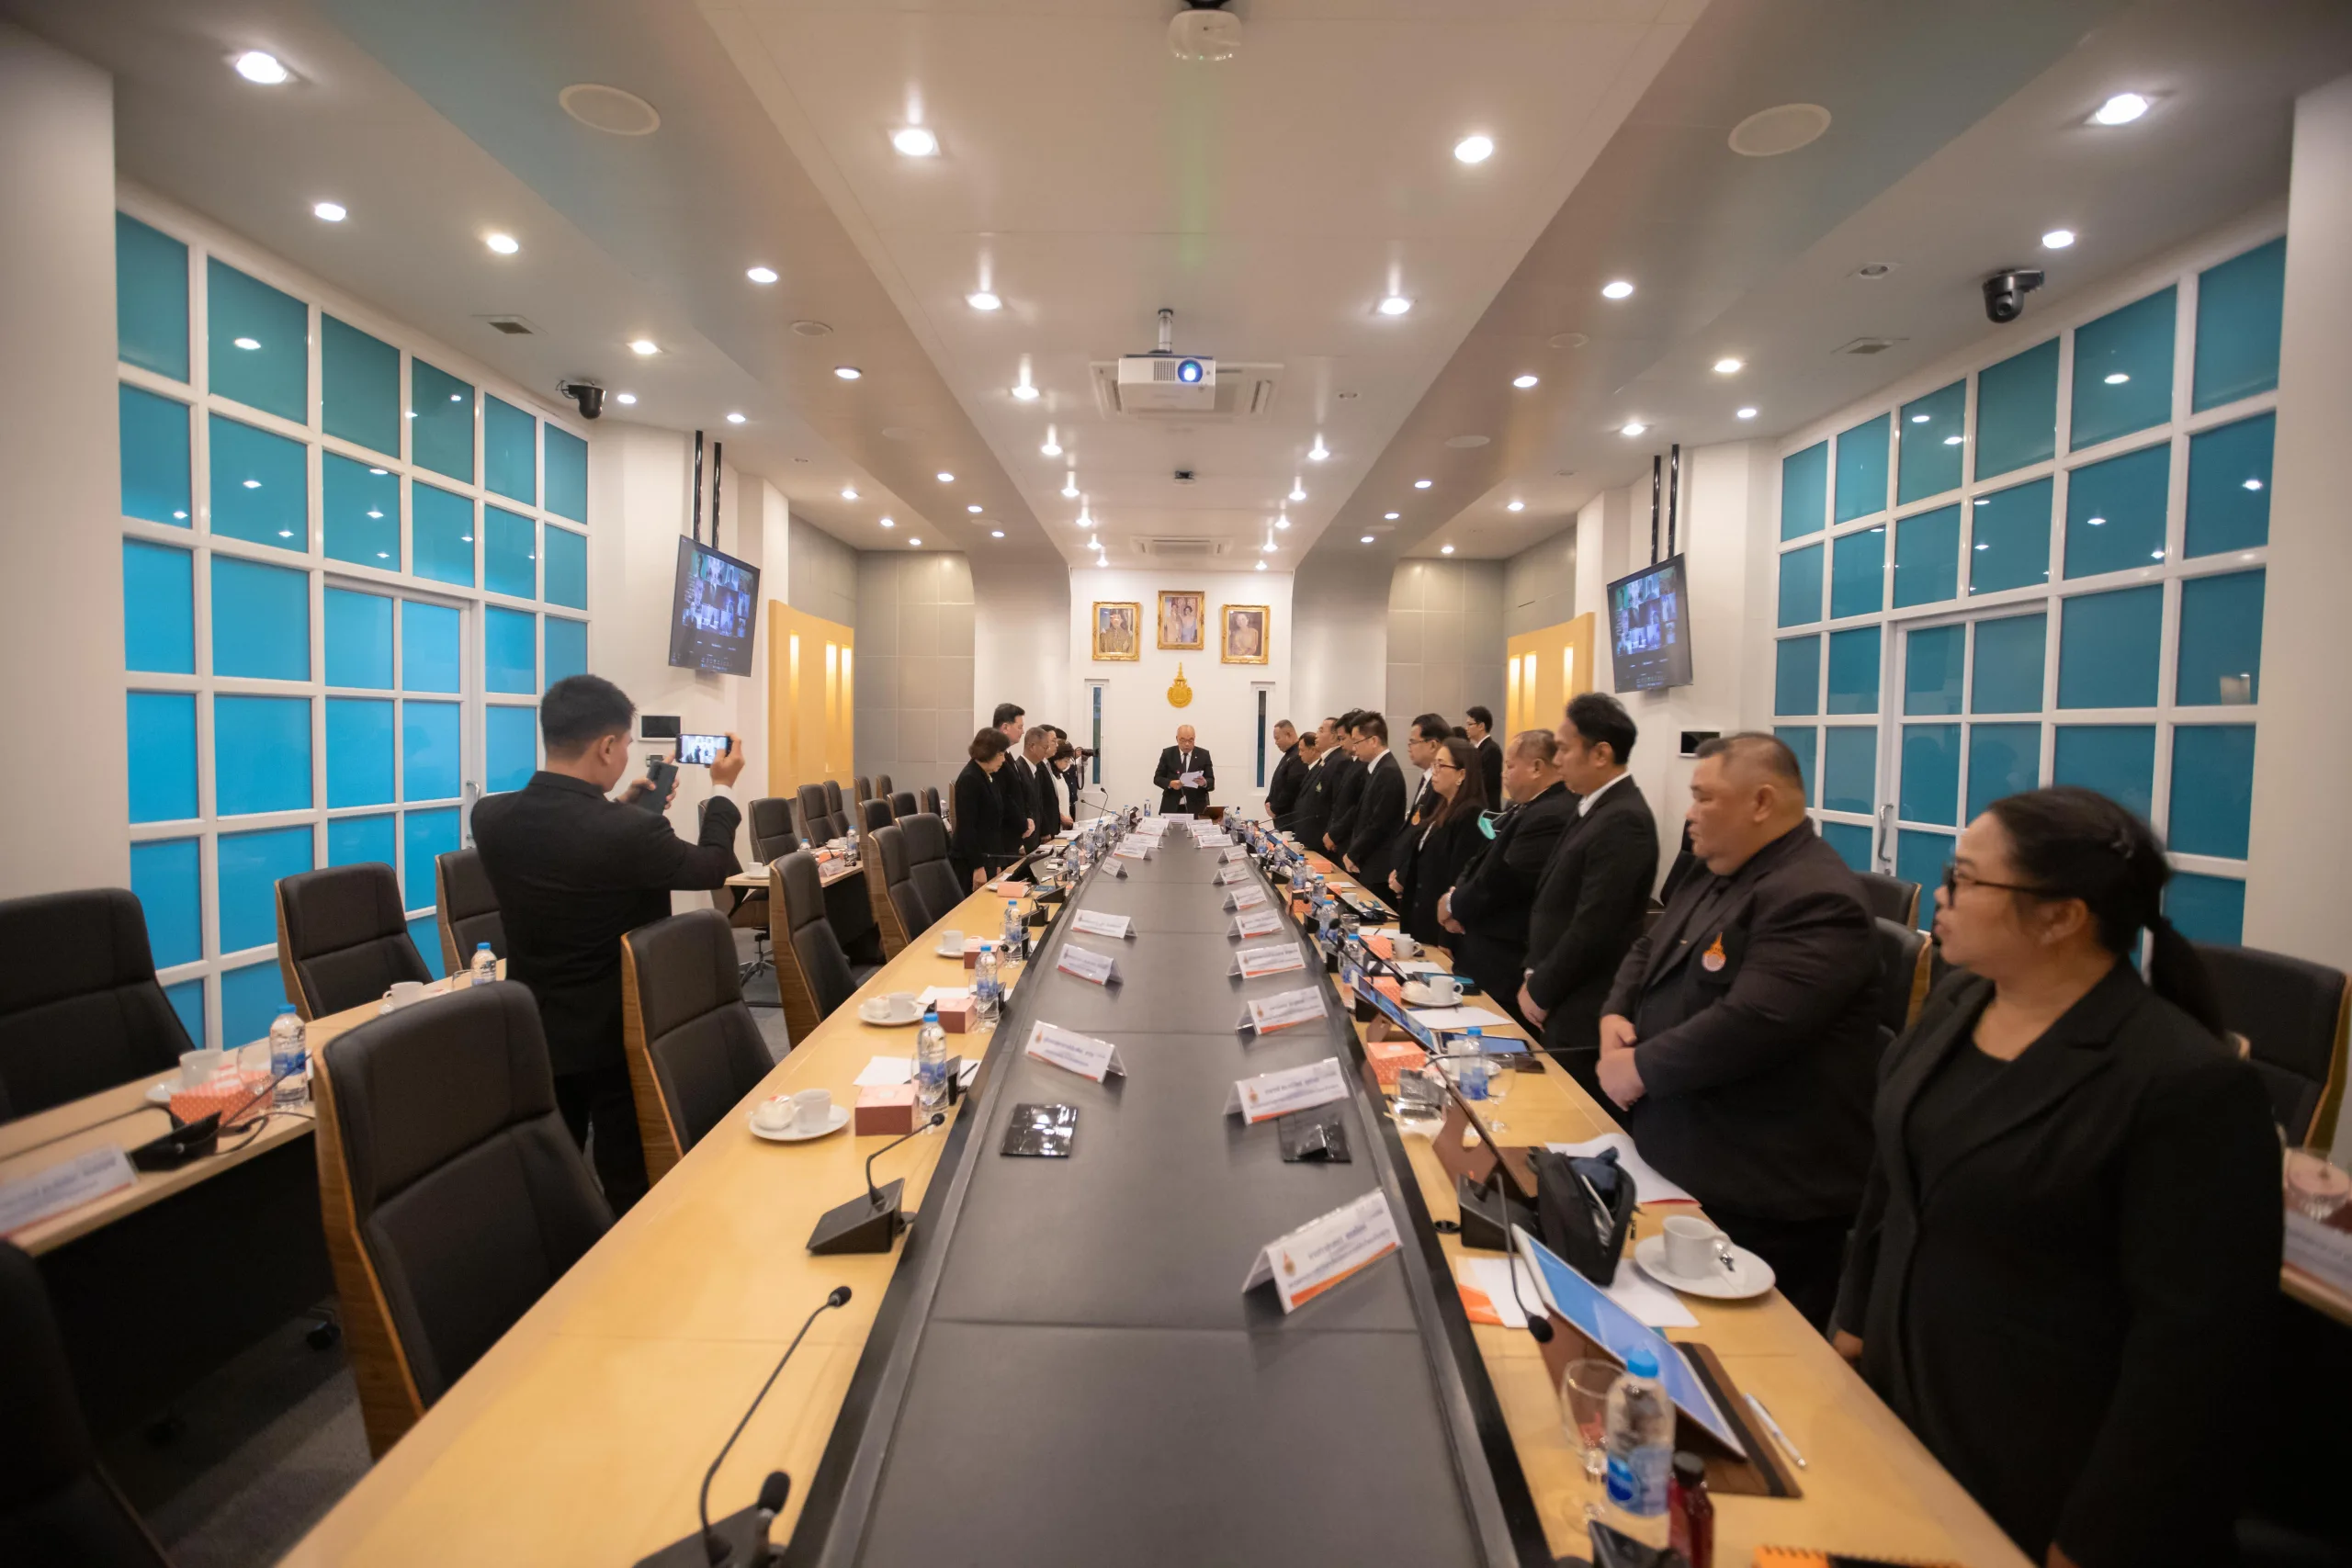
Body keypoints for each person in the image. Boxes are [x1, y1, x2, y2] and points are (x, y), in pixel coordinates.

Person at [1834, 789, 2279, 1567]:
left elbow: (2192, 1358)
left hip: (2040, 1474)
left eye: (1965, 878)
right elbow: (1893, 1177)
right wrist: (1852, 1325)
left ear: (2061, 917)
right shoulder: (1960, 998)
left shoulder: (2185, 1083)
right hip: (1906, 1414)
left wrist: (2092, 1539)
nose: (1940, 893)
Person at [1594, 732, 1876, 1328]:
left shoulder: (1816, 896)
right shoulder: (1716, 868)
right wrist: (1614, 1014)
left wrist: (1638, 1068)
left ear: (1761, 802)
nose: (1690, 812)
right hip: (1676, 1155)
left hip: (1757, 1192)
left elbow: (1754, 1022)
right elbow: (1648, 947)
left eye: (1704, 797)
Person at [471, 675, 743, 1214]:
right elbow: (712, 867)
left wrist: (620, 804)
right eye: (624, 746)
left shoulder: (491, 818)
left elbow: (571, 846)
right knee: (628, 1172)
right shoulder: (628, 834)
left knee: (553, 1168)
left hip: (535, 1026)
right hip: (619, 1031)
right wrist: (722, 790)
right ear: (607, 746)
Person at [1519, 694, 1660, 1091]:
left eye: (1564, 749)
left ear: (1601, 754)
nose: (1557, 759)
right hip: (1561, 992)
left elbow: (1595, 925)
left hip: (1584, 1001)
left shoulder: (1625, 819)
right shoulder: (1593, 807)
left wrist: (1541, 988)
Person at [1443, 729, 1577, 1026]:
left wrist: (1454, 905)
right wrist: (1456, 894)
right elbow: (1480, 860)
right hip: (1481, 949)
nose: (1503, 774)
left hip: (1503, 958)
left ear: (1537, 767)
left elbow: (1502, 882)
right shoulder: (1523, 807)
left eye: (1510, 766)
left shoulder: (1550, 814)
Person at [1389, 736, 1487, 947]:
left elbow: (1458, 878)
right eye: (1434, 764)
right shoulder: (1442, 808)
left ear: (1462, 774)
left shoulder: (1471, 815)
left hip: (1440, 928)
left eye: (1441, 765)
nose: (1435, 771)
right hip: (1420, 920)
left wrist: (1447, 939)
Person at [1340, 712, 1408, 891]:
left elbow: (1379, 823)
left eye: (1357, 741)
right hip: (1369, 862)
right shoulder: (1377, 769)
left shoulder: (1388, 772)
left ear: (1373, 741)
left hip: (1379, 866)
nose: (1354, 747)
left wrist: (1353, 853)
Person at [951, 728, 1019, 888]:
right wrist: (978, 866)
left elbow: (994, 823)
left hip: (989, 857)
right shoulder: (970, 779)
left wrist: (997, 861)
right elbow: (967, 827)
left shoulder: (988, 776)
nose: (1004, 759)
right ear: (988, 752)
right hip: (972, 861)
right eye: (1001, 754)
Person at [1319, 711, 1365, 860]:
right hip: (1339, 840)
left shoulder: (1365, 767)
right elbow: (1338, 805)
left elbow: (1355, 808)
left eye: (1343, 738)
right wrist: (1330, 833)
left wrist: (1335, 834)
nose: (1341, 744)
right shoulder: (1352, 763)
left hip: (1351, 842)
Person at [989, 703, 1035, 849]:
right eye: (1020, 727)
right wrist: (1022, 823)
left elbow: (1018, 792)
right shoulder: (993, 758)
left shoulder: (1007, 755)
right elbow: (1004, 797)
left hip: (1014, 834)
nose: (1023, 732)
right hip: (1003, 837)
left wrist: (1027, 819)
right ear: (1005, 727)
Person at [1152, 725, 1215, 815]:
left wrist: (1204, 783)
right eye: (1183, 740)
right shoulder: (1168, 753)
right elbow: (1157, 778)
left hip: (1197, 808)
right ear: (1177, 739)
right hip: (1172, 807)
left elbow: (1211, 781)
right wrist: (1170, 783)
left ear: (1194, 739)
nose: (1187, 744)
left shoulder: (1204, 755)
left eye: (1190, 740)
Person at [1402, 713, 1451, 829]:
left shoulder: (1441, 786)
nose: (1409, 747)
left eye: (1413, 742)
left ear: (1432, 745)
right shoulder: (1427, 778)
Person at [1290, 727, 1332, 848]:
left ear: (1313, 750)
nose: (1299, 754)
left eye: (1302, 750)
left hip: (1316, 834)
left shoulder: (1324, 767)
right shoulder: (1312, 769)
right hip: (1304, 831)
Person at [1020, 725, 1059, 850]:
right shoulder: (1019, 769)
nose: (1046, 750)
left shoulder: (1035, 769)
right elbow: (1023, 806)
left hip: (1035, 836)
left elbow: (1039, 804)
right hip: (1025, 838)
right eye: (1044, 747)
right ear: (1032, 747)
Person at [1264, 720, 1307, 826]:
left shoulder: (1297, 756)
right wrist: (1269, 801)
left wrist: (1275, 809)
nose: (1276, 742)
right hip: (1282, 817)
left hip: (1289, 818)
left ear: (1289, 734)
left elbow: (1292, 787)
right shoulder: (1289, 755)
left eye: (1277, 738)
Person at [1464, 705, 1503, 806]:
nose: (1466, 728)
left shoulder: (1491, 750)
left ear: (1481, 726)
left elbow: (1485, 783)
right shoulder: (1478, 749)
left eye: (1470, 724)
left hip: (1486, 807)